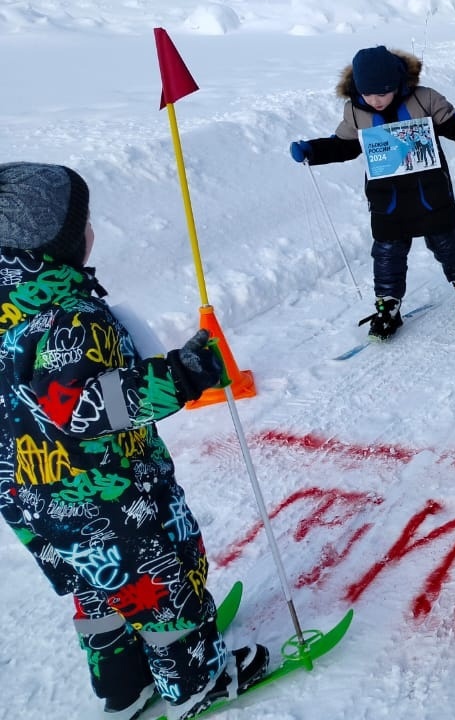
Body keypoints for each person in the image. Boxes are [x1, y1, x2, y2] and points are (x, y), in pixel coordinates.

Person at [0, 162, 269, 720]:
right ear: (56, 242)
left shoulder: (11, 315)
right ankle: (198, 682)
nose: (92, 228)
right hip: (112, 495)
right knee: (161, 583)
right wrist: (186, 374)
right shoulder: (68, 317)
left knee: (95, 585)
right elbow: (84, 406)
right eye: (84, 222)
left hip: (35, 498)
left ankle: (122, 686)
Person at [289, 45, 455, 338]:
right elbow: (343, 144)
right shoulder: (355, 111)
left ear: (398, 84)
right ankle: (388, 303)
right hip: (387, 198)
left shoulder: (424, 99)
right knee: (388, 252)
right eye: (368, 94)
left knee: (445, 242)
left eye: (383, 92)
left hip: (429, 191)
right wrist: (312, 151)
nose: (375, 101)